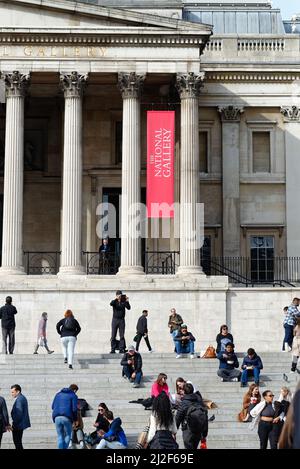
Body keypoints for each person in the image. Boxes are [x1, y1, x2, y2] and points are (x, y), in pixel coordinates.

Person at [176, 383, 208, 450]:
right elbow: (205, 412)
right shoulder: (199, 399)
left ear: (184, 391)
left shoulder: (184, 403)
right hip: (199, 429)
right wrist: (204, 434)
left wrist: (174, 431)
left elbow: (178, 417)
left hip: (188, 430)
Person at [52, 384, 79, 449]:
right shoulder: (73, 395)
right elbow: (74, 409)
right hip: (67, 417)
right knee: (67, 435)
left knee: (60, 436)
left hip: (57, 417)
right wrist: (75, 420)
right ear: (75, 390)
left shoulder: (58, 394)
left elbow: (52, 406)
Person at [278, 381, 300, 449]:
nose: (282, 393)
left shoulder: (293, 396)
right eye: (281, 392)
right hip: (284, 418)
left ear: (286, 391)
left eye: (283, 391)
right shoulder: (281, 399)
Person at [10, 384, 31, 450]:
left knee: (17, 443)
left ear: (18, 391)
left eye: (13, 392)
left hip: (18, 425)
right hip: (20, 424)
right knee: (18, 443)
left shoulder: (19, 399)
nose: (11, 394)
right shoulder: (22, 398)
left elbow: (19, 413)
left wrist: (14, 423)